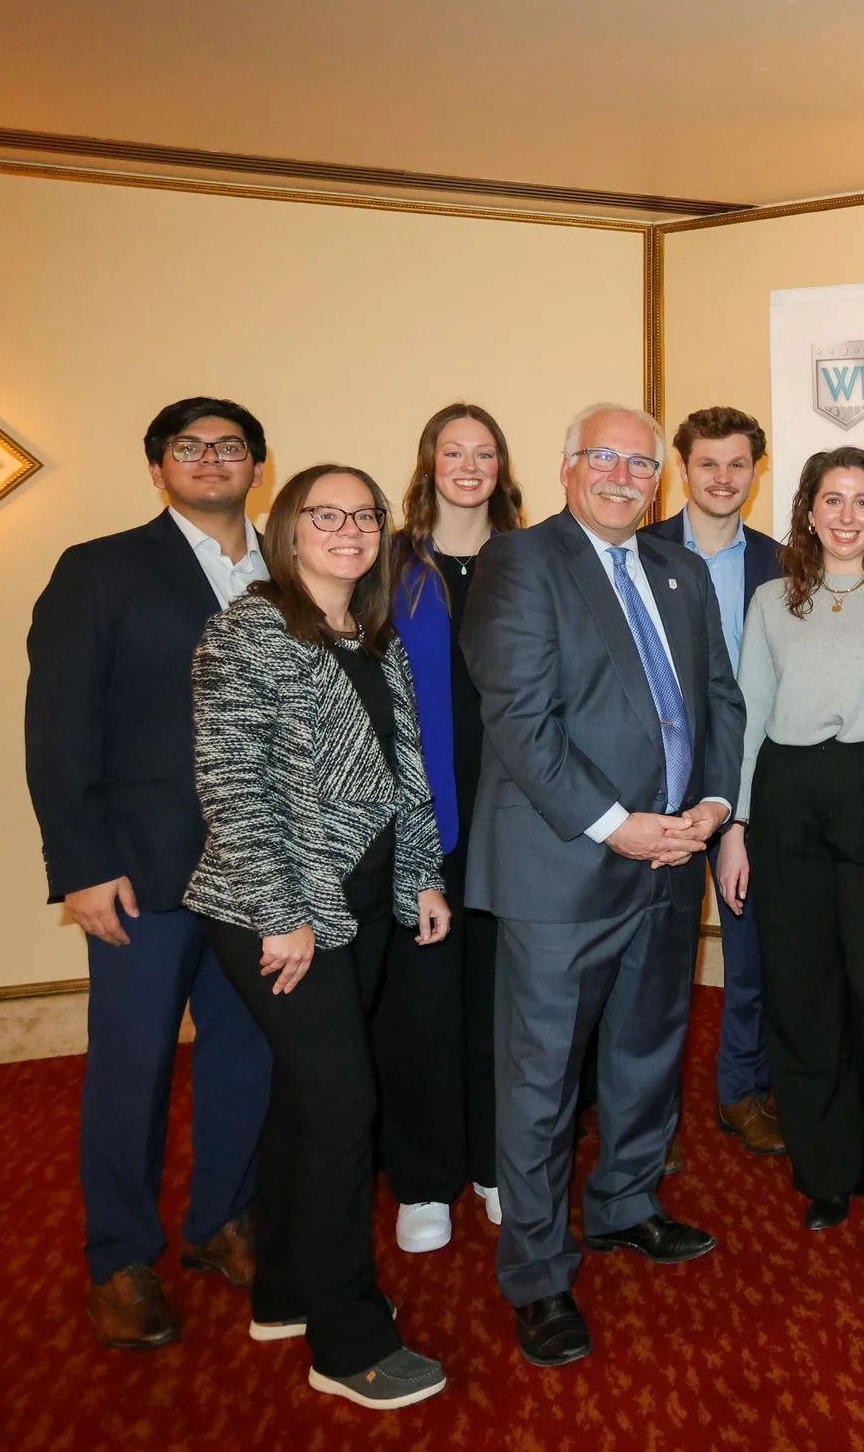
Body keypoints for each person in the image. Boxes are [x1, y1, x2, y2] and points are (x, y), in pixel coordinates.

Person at [461, 403, 743, 1368]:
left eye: (638, 461)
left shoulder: (683, 568)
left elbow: (718, 699)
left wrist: (711, 803)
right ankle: (537, 1275)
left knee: (646, 1050)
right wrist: (616, 825)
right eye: (604, 459)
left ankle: (625, 1205)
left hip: (671, 859)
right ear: (569, 467)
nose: (624, 475)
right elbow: (521, 721)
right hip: (564, 868)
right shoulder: (521, 563)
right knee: (541, 1084)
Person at [185, 463, 452, 1410]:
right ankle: (346, 1337)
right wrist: (282, 912)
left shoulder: (375, 639)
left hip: (368, 900)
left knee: (306, 1106)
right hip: (281, 910)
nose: (348, 528)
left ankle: (287, 1290)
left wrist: (421, 875)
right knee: (344, 1109)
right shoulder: (247, 632)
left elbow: (404, 777)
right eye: (325, 514)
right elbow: (234, 789)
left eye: (364, 514)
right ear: (288, 529)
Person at [25, 396, 274, 1350]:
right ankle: (122, 1256)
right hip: (140, 871)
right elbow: (57, 728)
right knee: (131, 1068)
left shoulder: (286, 567)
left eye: (230, 446)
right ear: (158, 466)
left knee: (246, 1053)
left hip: (257, 870)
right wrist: (81, 865)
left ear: (258, 463)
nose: (211, 459)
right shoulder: (99, 570)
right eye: (189, 446)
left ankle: (222, 1219)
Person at [717, 447, 864, 1232]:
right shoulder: (770, 601)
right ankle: (826, 1169)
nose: (847, 516)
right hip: (787, 800)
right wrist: (737, 829)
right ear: (808, 511)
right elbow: (748, 718)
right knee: (803, 989)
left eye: (862, 501)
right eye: (832, 500)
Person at [381, 404, 526, 1250]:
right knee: (423, 1005)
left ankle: (496, 1162)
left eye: (484, 452)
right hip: (421, 817)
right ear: (429, 462)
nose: (468, 465)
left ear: (502, 465)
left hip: (515, 815)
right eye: (452, 451)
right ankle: (425, 1178)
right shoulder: (391, 561)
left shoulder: (532, 558)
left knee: (505, 1003)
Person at [643, 406, 786, 1158]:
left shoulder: (785, 561)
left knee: (751, 950)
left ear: (755, 473)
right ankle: (648, 1114)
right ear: (683, 468)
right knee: (653, 963)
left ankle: (740, 1091)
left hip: (754, 782)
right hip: (656, 788)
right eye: (709, 464)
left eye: (738, 464)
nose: (724, 478)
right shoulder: (636, 551)